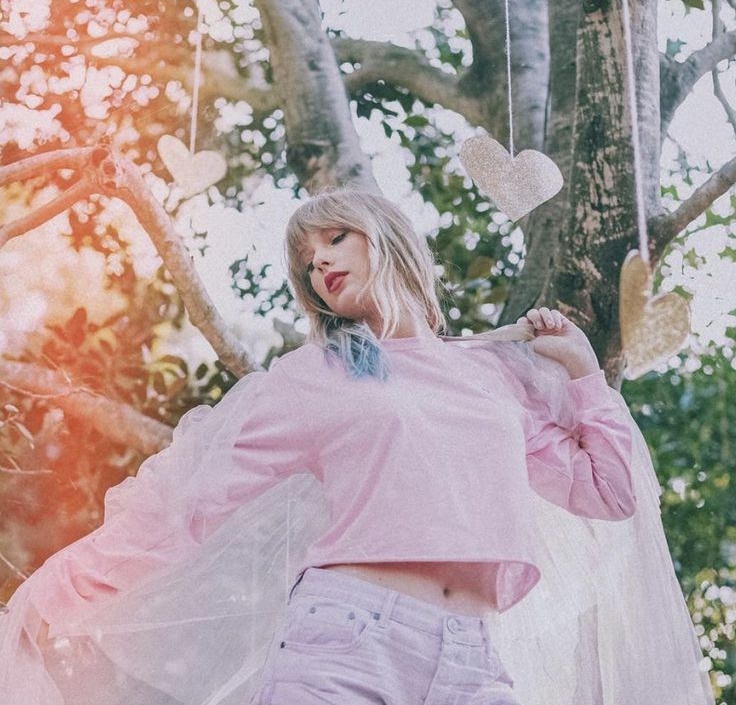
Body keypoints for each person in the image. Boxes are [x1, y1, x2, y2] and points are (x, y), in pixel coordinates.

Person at [0, 189, 715, 705]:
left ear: (386, 237)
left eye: (334, 238)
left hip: (471, 656)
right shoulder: (322, 374)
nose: (319, 264)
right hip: (345, 640)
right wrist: (58, 590)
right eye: (307, 262)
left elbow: (611, 493)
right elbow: (192, 500)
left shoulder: (491, 379)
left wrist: (585, 373)